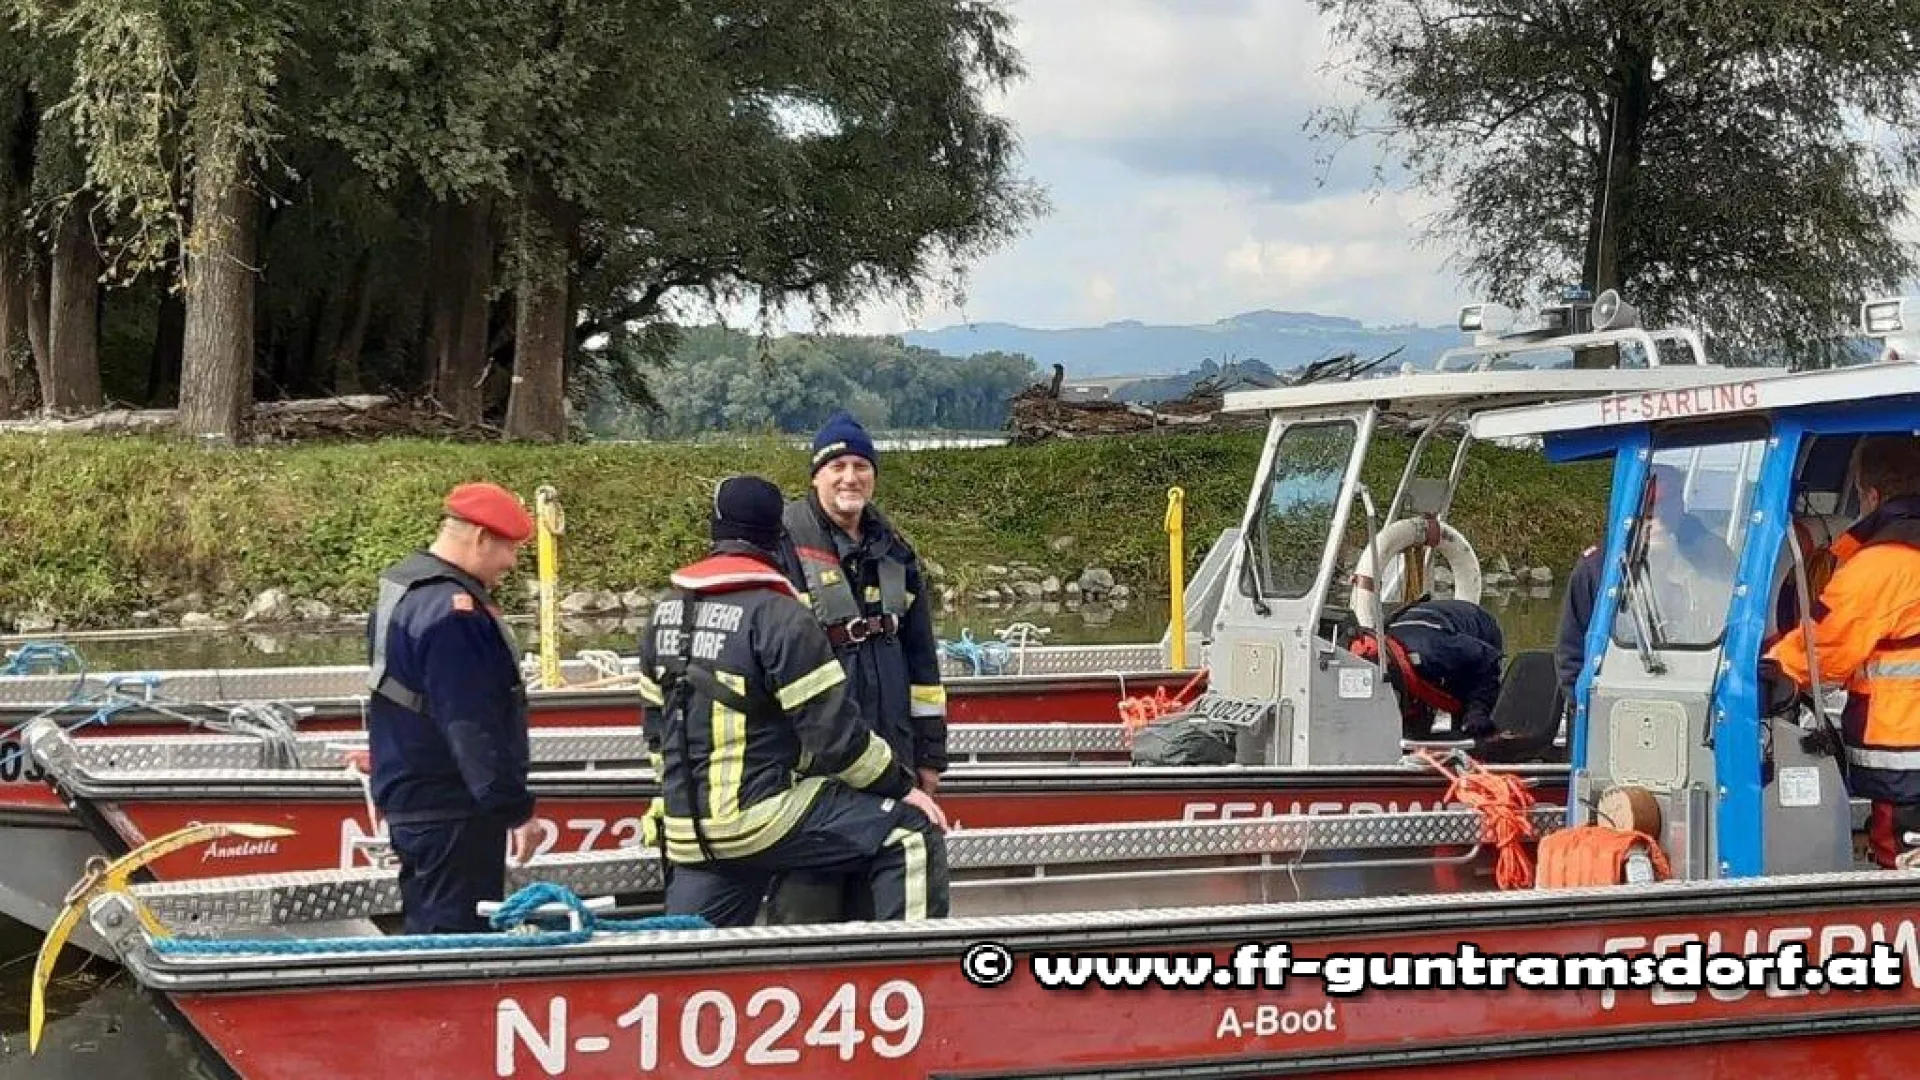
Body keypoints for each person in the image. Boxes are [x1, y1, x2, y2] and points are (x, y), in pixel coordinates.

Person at [638, 474, 952, 927]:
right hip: (761, 819)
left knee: (693, 946)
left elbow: (656, 731)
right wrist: (902, 788)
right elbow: (836, 737)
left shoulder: (664, 612)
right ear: (776, 535)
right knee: (912, 832)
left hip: (687, 830)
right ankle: (917, 963)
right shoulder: (780, 616)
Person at [766, 410, 947, 922]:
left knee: (887, 890)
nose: (850, 478)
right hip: (812, 768)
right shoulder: (783, 548)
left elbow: (924, 667)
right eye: (837, 466)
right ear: (816, 476)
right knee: (808, 908)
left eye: (861, 466)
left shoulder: (895, 552)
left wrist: (930, 758)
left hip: (892, 756)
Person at [366, 481, 541, 934]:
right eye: (509, 548)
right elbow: (470, 722)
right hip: (451, 807)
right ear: (481, 538)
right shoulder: (454, 614)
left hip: (413, 795)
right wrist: (514, 809)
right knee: (456, 940)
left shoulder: (404, 591)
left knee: (428, 927)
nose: (512, 563)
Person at [1766, 435, 1920, 869]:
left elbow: (1823, 652)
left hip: (1906, 755)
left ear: (1870, 494)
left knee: (1903, 872)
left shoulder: (1882, 564)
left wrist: (1767, 664)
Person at [1348, 597, 1505, 742]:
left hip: (1476, 626)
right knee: (1415, 725)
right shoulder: (1367, 657)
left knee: (1471, 718)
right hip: (1427, 625)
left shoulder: (1434, 651)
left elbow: (1488, 659)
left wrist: (1478, 708)